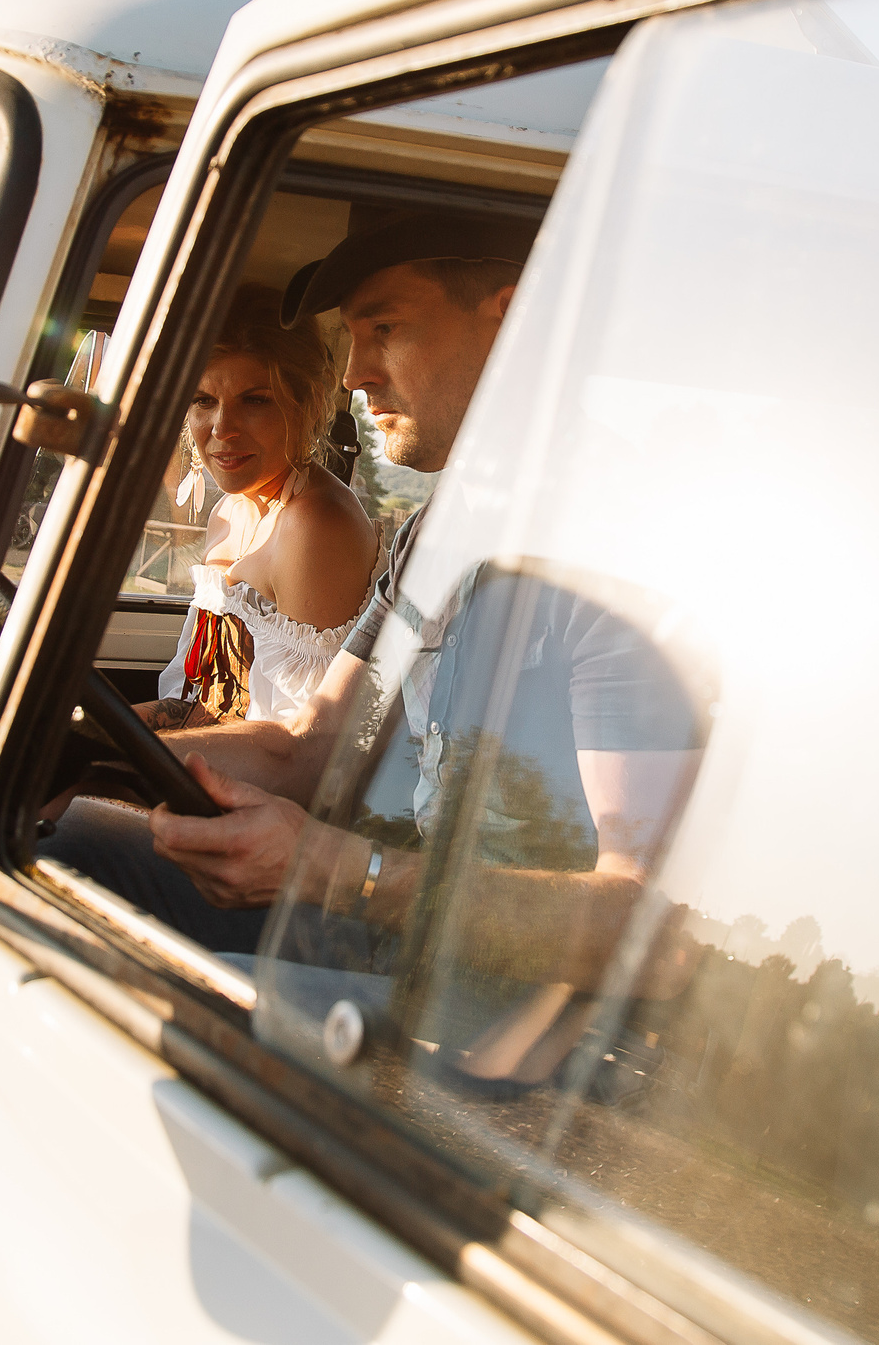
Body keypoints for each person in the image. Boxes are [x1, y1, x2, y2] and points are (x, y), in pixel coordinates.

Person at [42, 215, 707, 1071]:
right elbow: (315, 745)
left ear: (508, 319)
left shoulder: (621, 545)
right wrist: (69, 744)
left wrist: (338, 871)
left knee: (111, 991)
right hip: (386, 927)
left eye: (384, 327)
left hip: (498, 1009)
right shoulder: (439, 531)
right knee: (75, 842)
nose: (354, 373)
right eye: (351, 338)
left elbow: (650, 928)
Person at [145, 285, 378, 729]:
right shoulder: (228, 513)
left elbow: (297, 744)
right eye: (203, 401)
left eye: (255, 401)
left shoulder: (313, 525)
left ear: (306, 405)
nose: (222, 428)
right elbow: (203, 704)